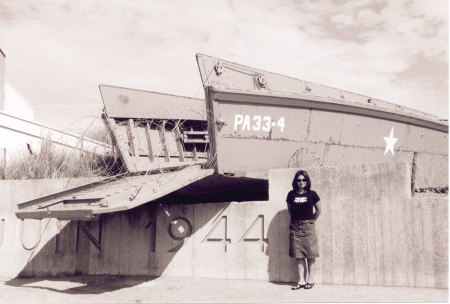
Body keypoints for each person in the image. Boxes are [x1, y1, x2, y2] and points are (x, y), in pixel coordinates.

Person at [286, 170, 321, 290]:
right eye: (299, 180)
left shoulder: (312, 194)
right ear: (296, 181)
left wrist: (312, 221)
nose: (301, 182)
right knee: (298, 254)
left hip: (308, 227)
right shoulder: (291, 194)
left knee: (311, 255)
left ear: (307, 181)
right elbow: (290, 210)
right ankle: (301, 280)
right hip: (295, 227)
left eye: (304, 180)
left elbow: (319, 210)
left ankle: (310, 280)